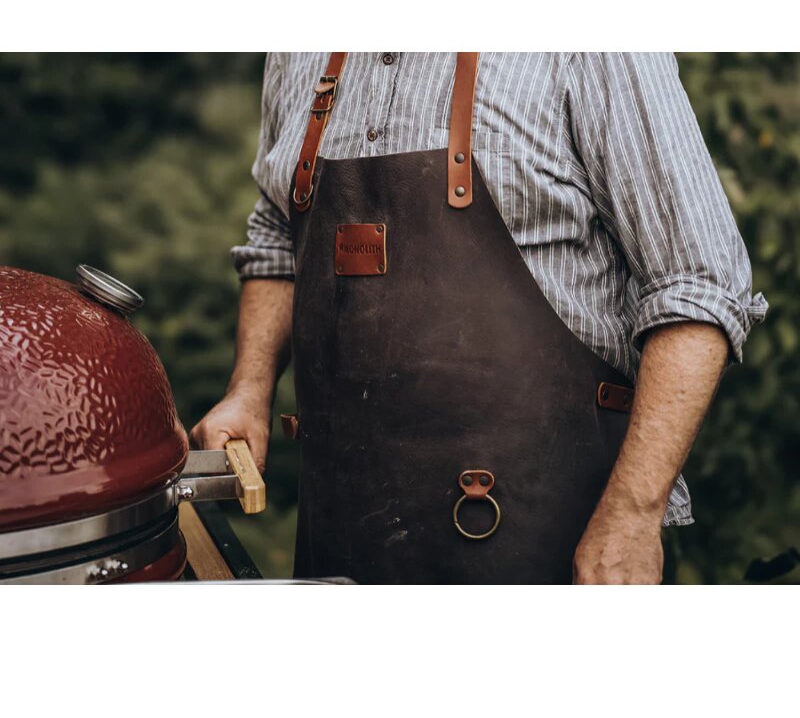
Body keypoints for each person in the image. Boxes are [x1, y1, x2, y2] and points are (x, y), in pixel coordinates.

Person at [190, 53, 767, 584]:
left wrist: (633, 514)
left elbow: (700, 281)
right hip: (339, 541)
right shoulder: (299, 50)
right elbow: (275, 233)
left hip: (555, 546)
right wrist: (249, 388)